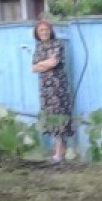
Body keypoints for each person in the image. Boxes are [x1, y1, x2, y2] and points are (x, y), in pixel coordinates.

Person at [31, 20, 73, 162]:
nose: (44, 32)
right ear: (37, 33)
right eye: (41, 30)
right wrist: (45, 64)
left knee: (59, 115)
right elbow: (33, 68)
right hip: (45, 88)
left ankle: (59, 153)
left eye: (46, 30)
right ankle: (58, 151)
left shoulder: (57, 44)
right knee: (50, 117)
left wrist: (42, 64)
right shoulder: (38, 46)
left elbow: (54, 62)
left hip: (57, 87)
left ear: (50, 31)